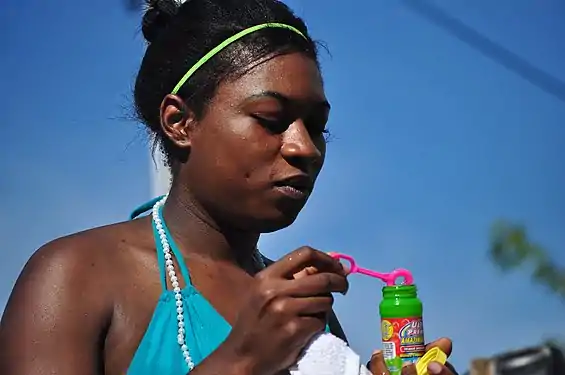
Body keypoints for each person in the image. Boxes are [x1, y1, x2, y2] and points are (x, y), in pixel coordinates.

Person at [0, 0, 457, 374]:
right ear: (180, 122)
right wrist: (242, 360)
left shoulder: (299, 304)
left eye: (317, 126)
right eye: (270, 120)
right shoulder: (75, 276)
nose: (305, 148)